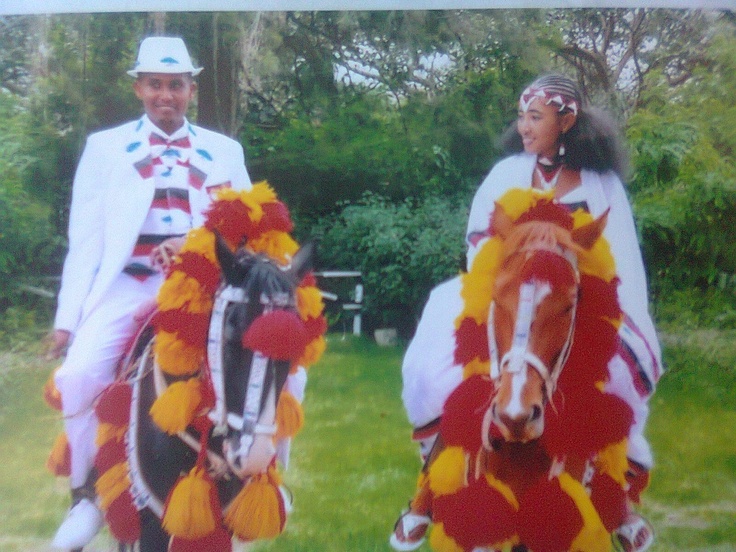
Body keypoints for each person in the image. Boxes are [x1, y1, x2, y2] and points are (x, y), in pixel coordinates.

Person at [392, 74, 661, 552]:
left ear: (568, 121)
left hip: (578, 299)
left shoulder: (602, 185)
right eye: (521, 116)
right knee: (434, 359)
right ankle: (430, 486)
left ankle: (613, 497)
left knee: (618, 377)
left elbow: (618, 257)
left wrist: (572, 283)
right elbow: (479, 243)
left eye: (534, 117)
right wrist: (515, 274)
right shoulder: (505, 175)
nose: (523, 126)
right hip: (507, 290)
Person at [45, 36, 252, 550]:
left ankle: (260, 480)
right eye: (155, 84)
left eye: (176, 85)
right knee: (80, 373)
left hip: (204, 287)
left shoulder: (225, 152)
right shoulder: (105, 148)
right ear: (139, 88)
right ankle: (86, 494)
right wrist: (67, 320)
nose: (166, 95)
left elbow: (248, 225)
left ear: (191, 90)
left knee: (277, 368)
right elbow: (86, 242)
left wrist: (196, 241)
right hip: (129, 283)